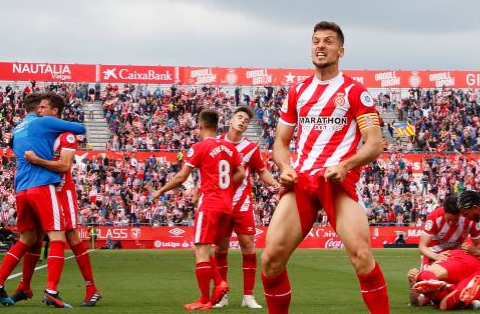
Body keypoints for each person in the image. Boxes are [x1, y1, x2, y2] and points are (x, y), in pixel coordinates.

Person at [260, 21, 388, 313]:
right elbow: (281, 142)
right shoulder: (297, 92)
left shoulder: (356, 92)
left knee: (361, 254)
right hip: (301, 182)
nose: (320, 46)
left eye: (328, 41)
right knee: (270, 260)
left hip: (336, 182)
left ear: (341, 50)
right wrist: (284, 166)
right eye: (316, 41)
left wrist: (346, 165)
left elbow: (374, 143)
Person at [0, 93, 86, 308]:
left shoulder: (17, 129)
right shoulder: (44, 121)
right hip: (42, 185)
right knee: (57, 236)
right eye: (42, 106)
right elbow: (80, 128)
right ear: (38, 108)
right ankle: (51, 291)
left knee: (27, 239)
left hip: (21, 189)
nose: (42, 110)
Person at [153, 109, 245, 310]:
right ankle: (220, 282)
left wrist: (160, 191)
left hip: (209, 206)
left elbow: (181, 178)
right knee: (208, 249)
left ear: (200, 126)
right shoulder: (230, 148)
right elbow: (241, 172)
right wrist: (226, 187)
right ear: (217, 125)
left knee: (201, 252)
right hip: (226, 207)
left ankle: (204, 299)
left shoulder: (199, 147)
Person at [214, 106, 281, 309]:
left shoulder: (251, 148)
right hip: (221, 204)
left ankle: (248, 296)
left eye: (246, 120)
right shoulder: (216, 144)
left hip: (242, 205)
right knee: (221, 249)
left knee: (249, 247)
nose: (242, 121)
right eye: (239, 117)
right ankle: (222, 295)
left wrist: (277, 184)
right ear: (231, 120)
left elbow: (262, 171)